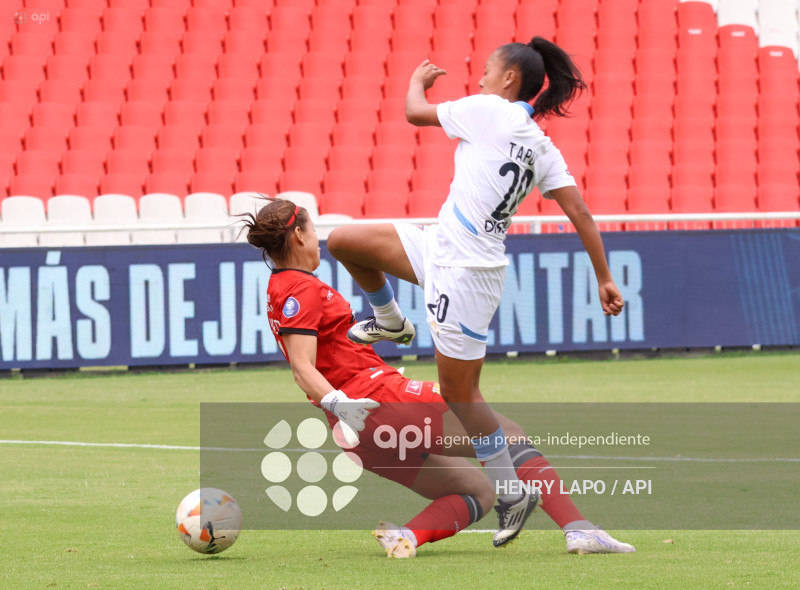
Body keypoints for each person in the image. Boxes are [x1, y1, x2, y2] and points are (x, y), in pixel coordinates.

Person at [327, 37, 626, 545]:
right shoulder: (541, 145)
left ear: (509, 79)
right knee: (344, 239)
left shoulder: (489, 109)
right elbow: (581, 213)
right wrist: (604, 275)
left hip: (467, 272)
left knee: (461, 396)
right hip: (439, 246)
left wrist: (416, 82)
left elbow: (415, 112)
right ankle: (391, 317)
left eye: (488, 69)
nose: (481, 77)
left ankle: (519, 496)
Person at [240, 197, 635, 557]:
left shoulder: (280, 287)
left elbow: (320, 355)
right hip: (377, 402)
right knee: (509, 436)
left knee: (477, 491)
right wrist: (340, 402)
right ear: (298, 234)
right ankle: (578, 528)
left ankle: (406, 538)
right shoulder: (302, 290)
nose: (318, 242)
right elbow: (302, 367)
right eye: (312, 232)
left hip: (356, 434)